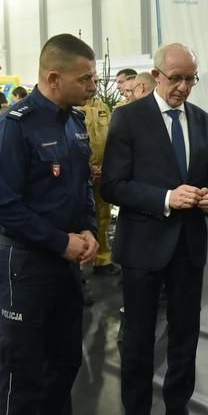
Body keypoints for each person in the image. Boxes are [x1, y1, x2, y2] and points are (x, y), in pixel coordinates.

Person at [101, 42, 208, 415]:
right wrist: (166, 198)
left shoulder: (203, 121)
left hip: (189, 246)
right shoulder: (128, 118)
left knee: (186, 335)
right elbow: (113, 185)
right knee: (138, 339)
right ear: (156, 75)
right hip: (143, 246)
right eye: (176, 78)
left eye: (191, 79)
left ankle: (177, 412)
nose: (183, 87)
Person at [0, 33, 99, 415]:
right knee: (23, 370)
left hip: (65, 261)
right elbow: (3, 205)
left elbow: (82, 185)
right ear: (53, 78)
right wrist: (60, 241)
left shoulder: (75, 122)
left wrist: (88, 228)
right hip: (24, 264)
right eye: (85, 79)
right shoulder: (14, 127)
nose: (93, 86)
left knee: (65, 361)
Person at [80, 75, 120, 276]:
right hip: (80, 174)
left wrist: (107, 165)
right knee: (78, 219)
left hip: (103, 173)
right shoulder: (73, 107)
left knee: (103, 216)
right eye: (90, 81)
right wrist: (86, 167)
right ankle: (78, 267)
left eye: (97, 81)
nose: (94, 85)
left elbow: (112, 137)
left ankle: (102, 259)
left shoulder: (102, 107)